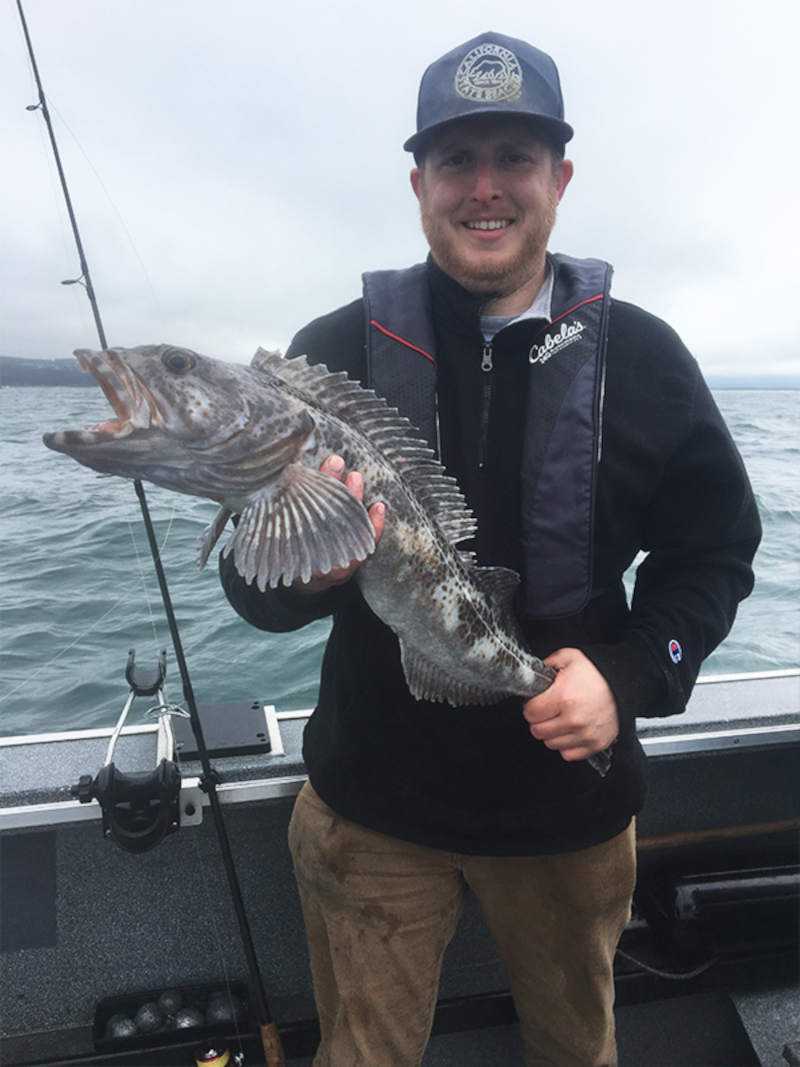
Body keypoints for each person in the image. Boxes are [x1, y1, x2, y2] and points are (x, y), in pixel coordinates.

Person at [221, 31, 761, 1067]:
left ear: (558, 178)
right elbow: (251, 588)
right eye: (455, 161)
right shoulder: (325, 355)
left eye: (512, 157)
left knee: (575, 1047)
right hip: (369, 808)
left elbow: (715, 552)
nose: (484, 188)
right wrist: (304, 569)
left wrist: (634, 671)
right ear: (416, 181)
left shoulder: (643, 357)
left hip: (569, 809)